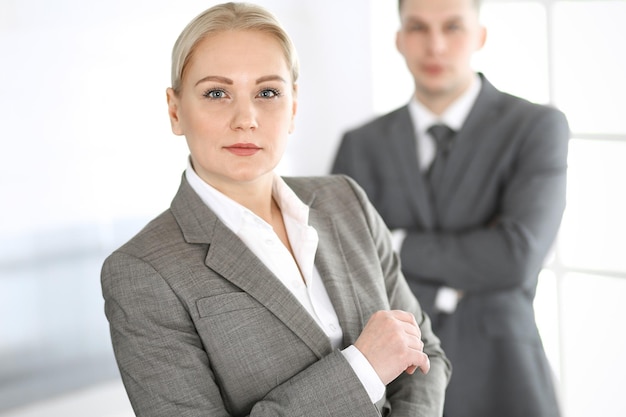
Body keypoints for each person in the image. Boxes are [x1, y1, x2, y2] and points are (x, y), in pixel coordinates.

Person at [101, 2, 451, 416]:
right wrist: (363, 368)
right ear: (175, 110)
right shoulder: (142, 271)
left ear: (294, 106)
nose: (246, 118)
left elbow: (424, 354)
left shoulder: (345, 200)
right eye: (217, 93)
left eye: (267, 92)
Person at [331, 0, 569, 416]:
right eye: (419, 28)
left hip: (506, 377)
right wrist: (465, 268)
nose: (435, 45)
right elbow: (345, 270)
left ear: (480, 35)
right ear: (399, 40)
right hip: (400, 378)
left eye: (453, 27)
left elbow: (515, 257)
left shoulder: (535, 127)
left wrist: (394, 242)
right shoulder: (361, 144)